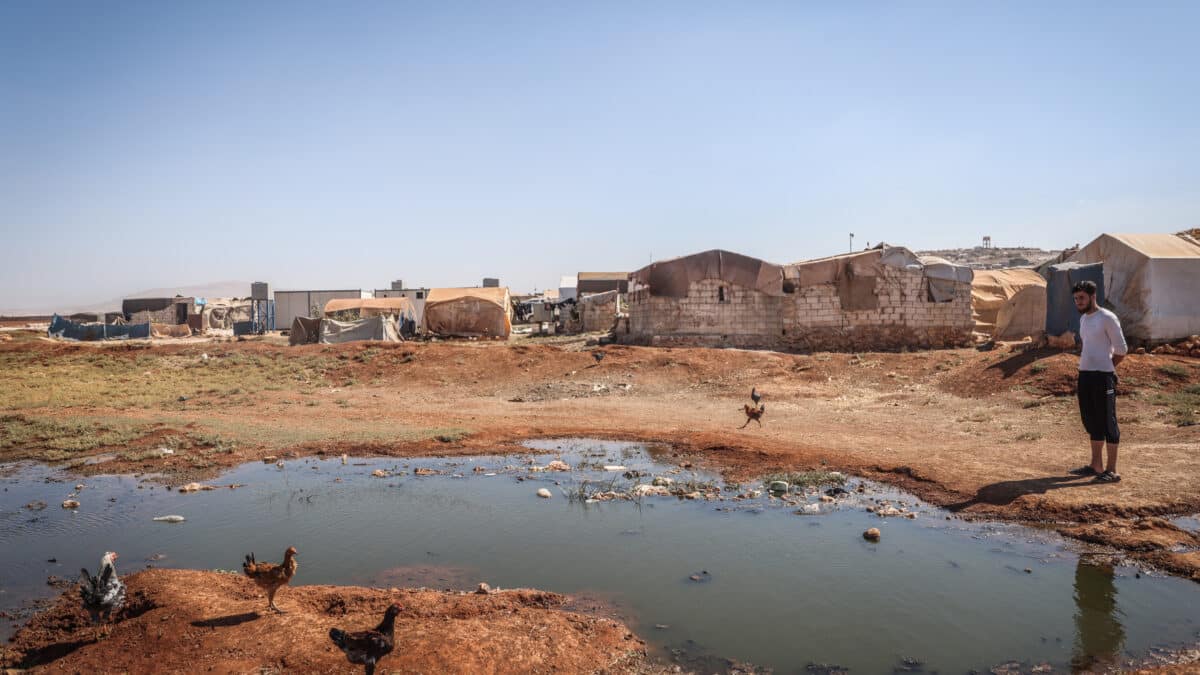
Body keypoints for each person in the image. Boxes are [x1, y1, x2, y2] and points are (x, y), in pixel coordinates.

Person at [1068, 280, 1127, 483]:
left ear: (1093, 296)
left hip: (1103, 376)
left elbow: (1121, 350)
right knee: (1090, 419)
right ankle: (1096, 465)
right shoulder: (1085, 319)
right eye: (1076, 299)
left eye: (1081, 298)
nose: (1078, 302)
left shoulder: (1107, 318)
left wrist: (1108, 369)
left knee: (1107, 421)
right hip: (1085, 375)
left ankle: (1112, 470)